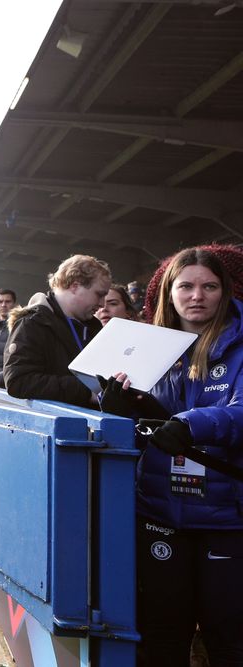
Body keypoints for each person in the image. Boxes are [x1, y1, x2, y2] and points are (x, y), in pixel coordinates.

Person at [105, 248, 243, 665]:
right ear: (169, 291)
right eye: (186, 285)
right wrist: (116, 403)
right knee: (162, 633)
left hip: (227, 517)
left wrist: (191, 424)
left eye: (209, 286)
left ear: (225, 291)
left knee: (228, 635)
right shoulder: (147, 345)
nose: (196, 295)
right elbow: (143, 419)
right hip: (159, 512)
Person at [2, 254, 112, 408]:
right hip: (60, 426)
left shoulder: (93, 327)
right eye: (99, 295)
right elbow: (19, 382)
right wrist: (85, 391)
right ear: (75, 286)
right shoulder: (32, 324)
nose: (102, 304)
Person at [0, 289, 17, 387]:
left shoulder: (19, 326)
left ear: (14, 304)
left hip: (4, 378)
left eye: (7, 301)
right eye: (0, 301)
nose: (3, 305)